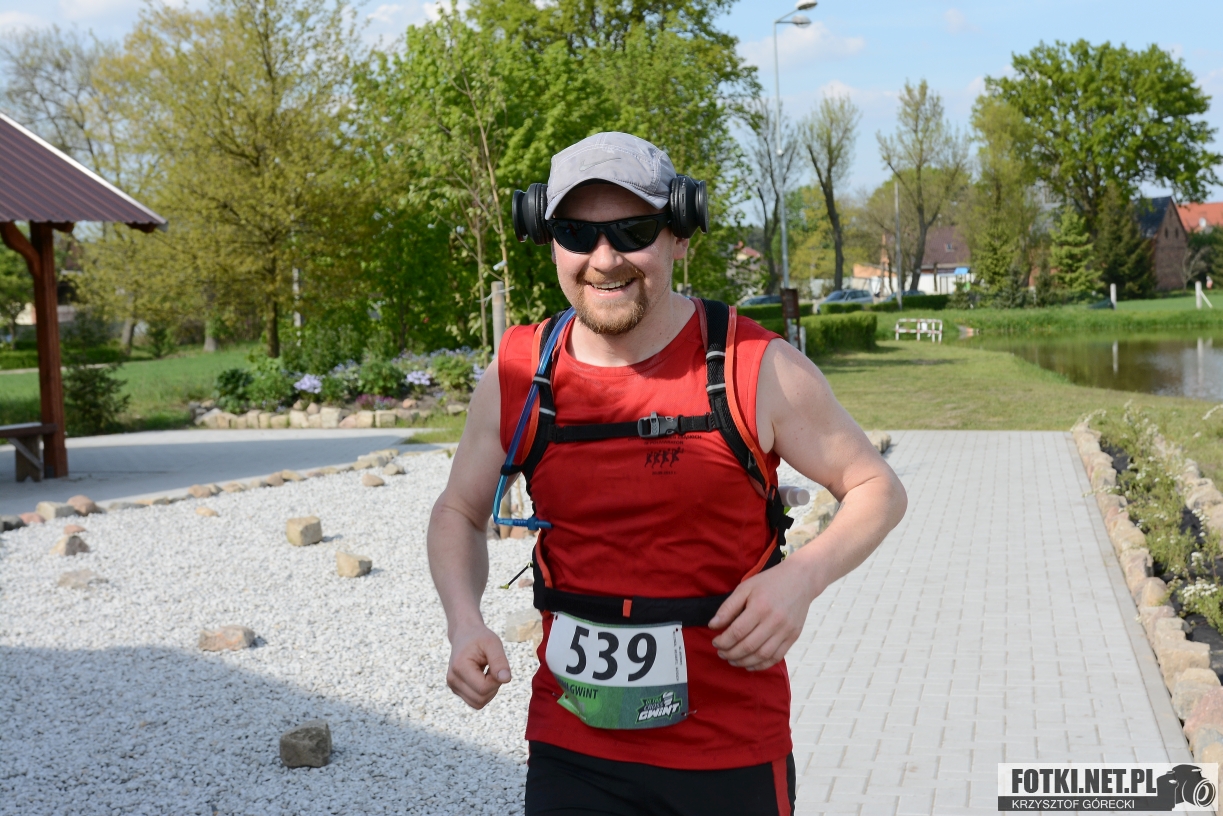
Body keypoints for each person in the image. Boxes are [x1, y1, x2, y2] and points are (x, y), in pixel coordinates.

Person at [427, 132, 907, 816]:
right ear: (548, 239)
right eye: (576, 233)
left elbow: (877, 488)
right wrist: (463, 621)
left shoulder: (753, 366)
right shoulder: (519, 372)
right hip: (571, 749)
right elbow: (458, 511)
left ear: (680, 233)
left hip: (728, 751)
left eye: (633, 230)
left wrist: (801, 578)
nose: (604, 259)